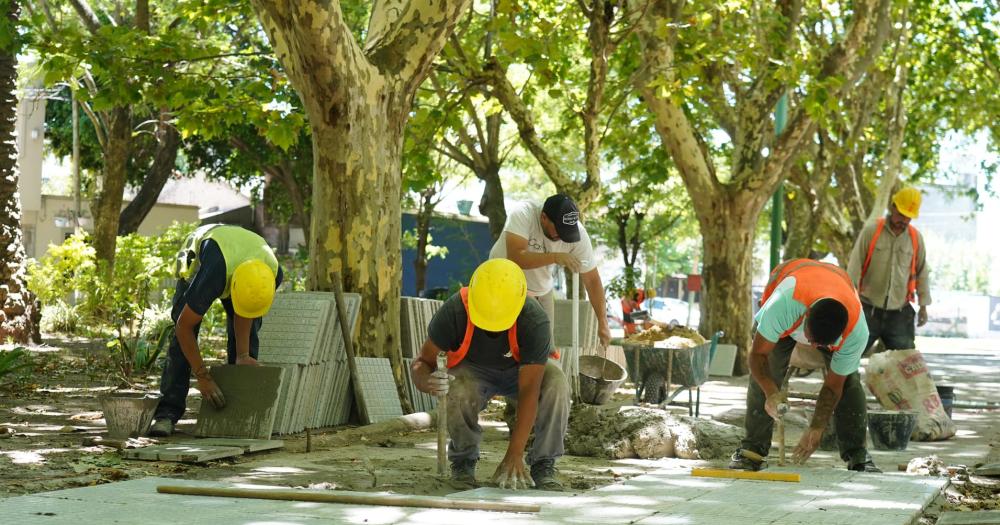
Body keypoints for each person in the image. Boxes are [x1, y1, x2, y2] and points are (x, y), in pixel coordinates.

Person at [410, 259, 570, 490]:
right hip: (474, 373)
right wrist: (428, 382)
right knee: (458, 386)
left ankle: (543, 464)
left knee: (556, 382)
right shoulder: (455, 311)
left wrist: (514, 453)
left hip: (521, 372)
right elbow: (422, 362)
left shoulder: (534, 319)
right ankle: (463, 463)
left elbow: (528, 391)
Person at [729, 258, 880, 473]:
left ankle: (857, 454)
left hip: (835, 287)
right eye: (811, 339)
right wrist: (772, 393)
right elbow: (757, 356)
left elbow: (833, 386)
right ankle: (752, 450)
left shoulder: (857, 331)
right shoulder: (784, 304)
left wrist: (817, 426)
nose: (812, 346)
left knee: (849, 382)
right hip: (794, 287)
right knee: (767, 372)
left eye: (821, 344)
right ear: (806, 315)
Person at [148, 224, 283, 437]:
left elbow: (245, 312)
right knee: (181, 342)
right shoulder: (214, 274)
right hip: (206, 257)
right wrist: (203, 377)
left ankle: (237, 414)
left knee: (249, 338)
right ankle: (167, 413)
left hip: (243, 263)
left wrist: (243, 355)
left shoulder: (272, 274)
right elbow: (185, 327)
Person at [488, 193, 611, 347]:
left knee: (546, 346)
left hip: (541, 289)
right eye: (559, 229)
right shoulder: (524, 213)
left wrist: (603, 321)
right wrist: (554, 257)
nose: (562, 236)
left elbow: (592, 280)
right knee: (512, 344)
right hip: (503, 282)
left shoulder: (579, 235)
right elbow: (516, 257)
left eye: (567, 231)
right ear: (544, 217)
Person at [847, 187, 931, 353]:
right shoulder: (871, 231)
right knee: (848, 357)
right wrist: (849, 302)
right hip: (867, 309)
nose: (904, 220)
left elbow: (922, 273)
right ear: (892, 207)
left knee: (905, 363)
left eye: (909, 217)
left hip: (899, 313)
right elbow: (854, 267)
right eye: (901, 214)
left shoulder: (915, 238)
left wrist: (923, 306)